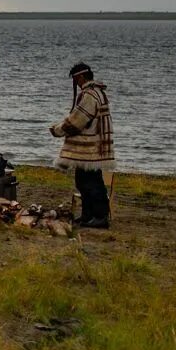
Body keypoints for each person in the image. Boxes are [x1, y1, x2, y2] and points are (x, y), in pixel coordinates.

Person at [50, 62, 114, 229]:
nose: (76, 84)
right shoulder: (97, 93)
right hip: (94, 148)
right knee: (85, 182)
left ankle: (100, 217)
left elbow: (77, 121)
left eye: (76, 79)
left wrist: (57, 130)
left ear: (80, 77)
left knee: (91, 184)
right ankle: (88, 215)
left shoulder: (89, 96)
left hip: (89, 150)